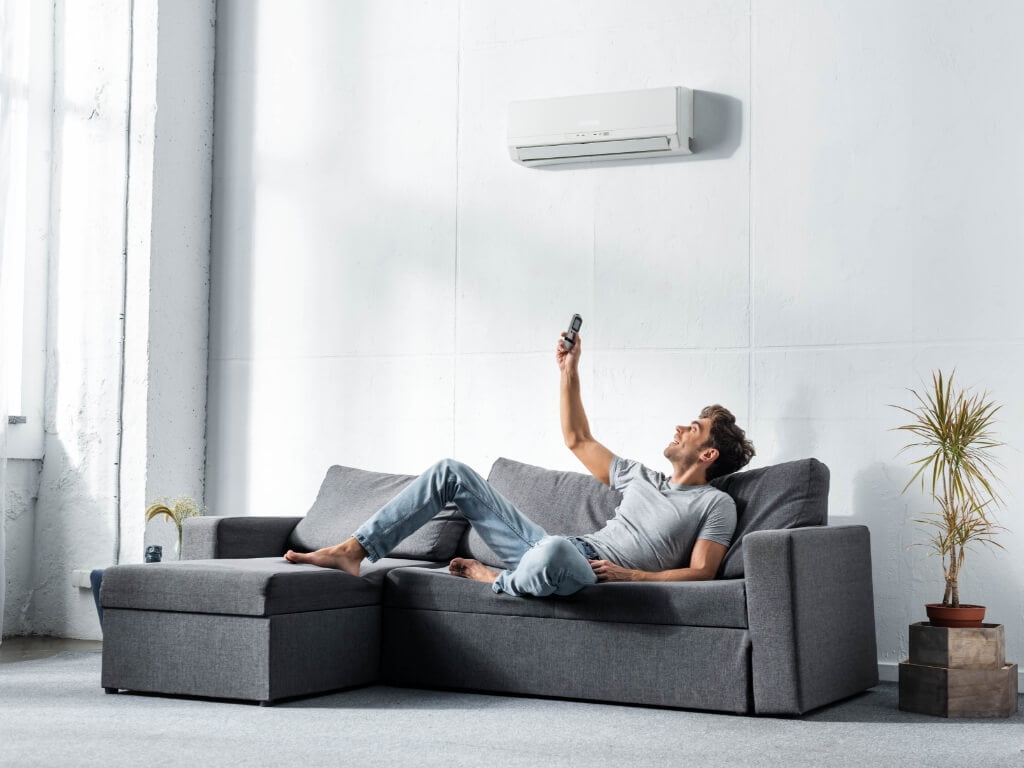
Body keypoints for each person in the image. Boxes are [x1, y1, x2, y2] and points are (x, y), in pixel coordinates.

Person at [284, 330, 755, 597]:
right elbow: (578, 438)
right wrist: (569, 372)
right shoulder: (641, 477)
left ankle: (497, 580)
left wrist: (635, 576)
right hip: (561, 546)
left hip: (588, 570)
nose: (680, 428)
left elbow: (703, 573)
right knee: (452, 473)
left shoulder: (715, 504)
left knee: (553, 555)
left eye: (693, 428)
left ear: (708, 454)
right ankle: (354, 549)